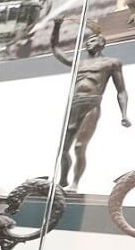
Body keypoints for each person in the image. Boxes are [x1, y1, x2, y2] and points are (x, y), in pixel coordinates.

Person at [51, 17, 131, 191]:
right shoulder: (79, 63)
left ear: (102, 43)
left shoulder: (110, 63)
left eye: (93, 40)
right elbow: (56, 49)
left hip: (91, 105)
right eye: (87, 41)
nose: (89, 43)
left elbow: (121, 90)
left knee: (80, 146)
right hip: (74, 104)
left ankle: (75, 183)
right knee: (63, 150)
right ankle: (62, 180)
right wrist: (57, 26)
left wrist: (124, 114)